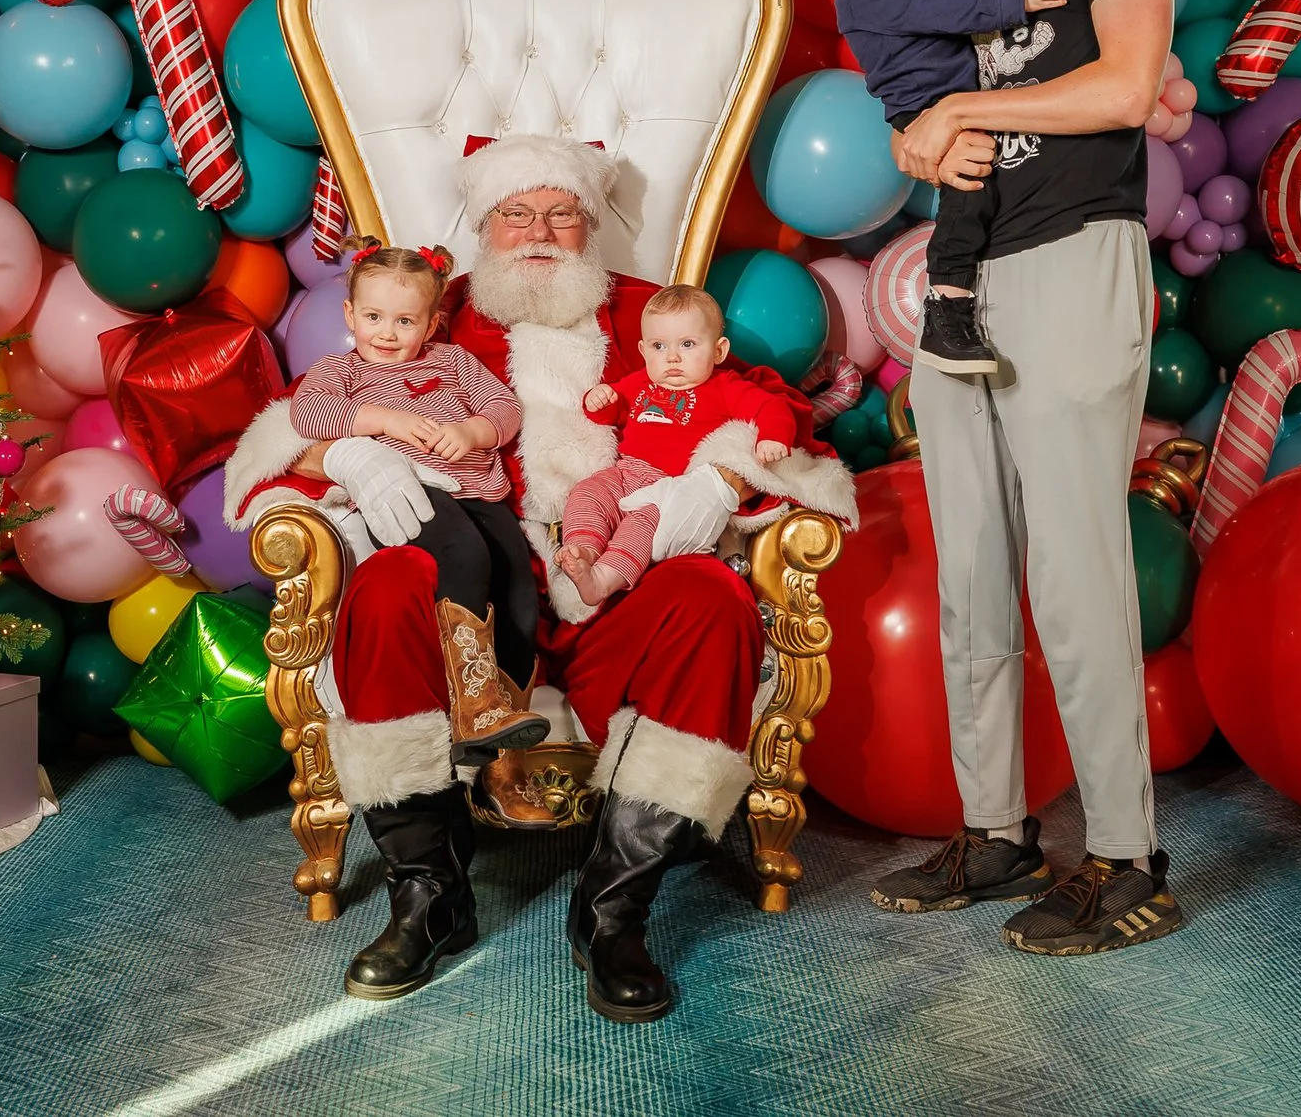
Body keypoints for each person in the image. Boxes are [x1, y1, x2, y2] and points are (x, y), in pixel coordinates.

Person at [223, 136, 853, 1022]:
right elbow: (297, 423)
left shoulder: (651, 315)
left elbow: (764, 405)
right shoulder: (435, 321)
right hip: (475, 595)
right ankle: (429, 896)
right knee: (390, 580)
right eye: (516, 212)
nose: (539, 232)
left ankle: (612, 912)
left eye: (562, 211)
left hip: (615, 581)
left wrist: (718, 479)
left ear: (593, 225)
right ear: (484, 225)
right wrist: (353, 454)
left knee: (714, 598)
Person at [868, 0, 1185, 957]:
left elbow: (1123, 87)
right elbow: (887, 31)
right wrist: (909, 126)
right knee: (971, 575)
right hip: (962, 279)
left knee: (1072, 568)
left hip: (1070, 260)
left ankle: (1124, 855)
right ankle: (996, 830)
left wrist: (957, 105)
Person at [287, 242, 547, 763]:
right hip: (412, 493)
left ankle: (496, 726)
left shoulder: (453, 361)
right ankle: (473, 703)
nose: (387, 332)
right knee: (464, 555)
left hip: (480, 494)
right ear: (350, 315)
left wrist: (474, 431)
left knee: (518, 592)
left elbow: (504, 407)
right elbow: (308, 416)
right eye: (374, 317)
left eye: (405, 321)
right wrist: (382, 419)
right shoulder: (341, 373)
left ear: (431, 325)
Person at [832, 0, 1065, 375]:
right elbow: (942, 8)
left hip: (966, 93)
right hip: (925, 105)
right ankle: (947, 307)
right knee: (971, 186)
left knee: (1007, 182)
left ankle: (1000, 297)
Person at [554, 284, 802, 615]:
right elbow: (610, 411)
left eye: (687, 344)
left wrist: (772, 437)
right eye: (659, 346)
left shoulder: (725, 387)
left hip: (668, 488)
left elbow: (771, 408)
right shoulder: (640, 382)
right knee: (588, 492)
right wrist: (599, 400)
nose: (672, 357)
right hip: (626, 471)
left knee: (642, 525)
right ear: (643, 350)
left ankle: (603, 579)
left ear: (718, 351)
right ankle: (583, 549)